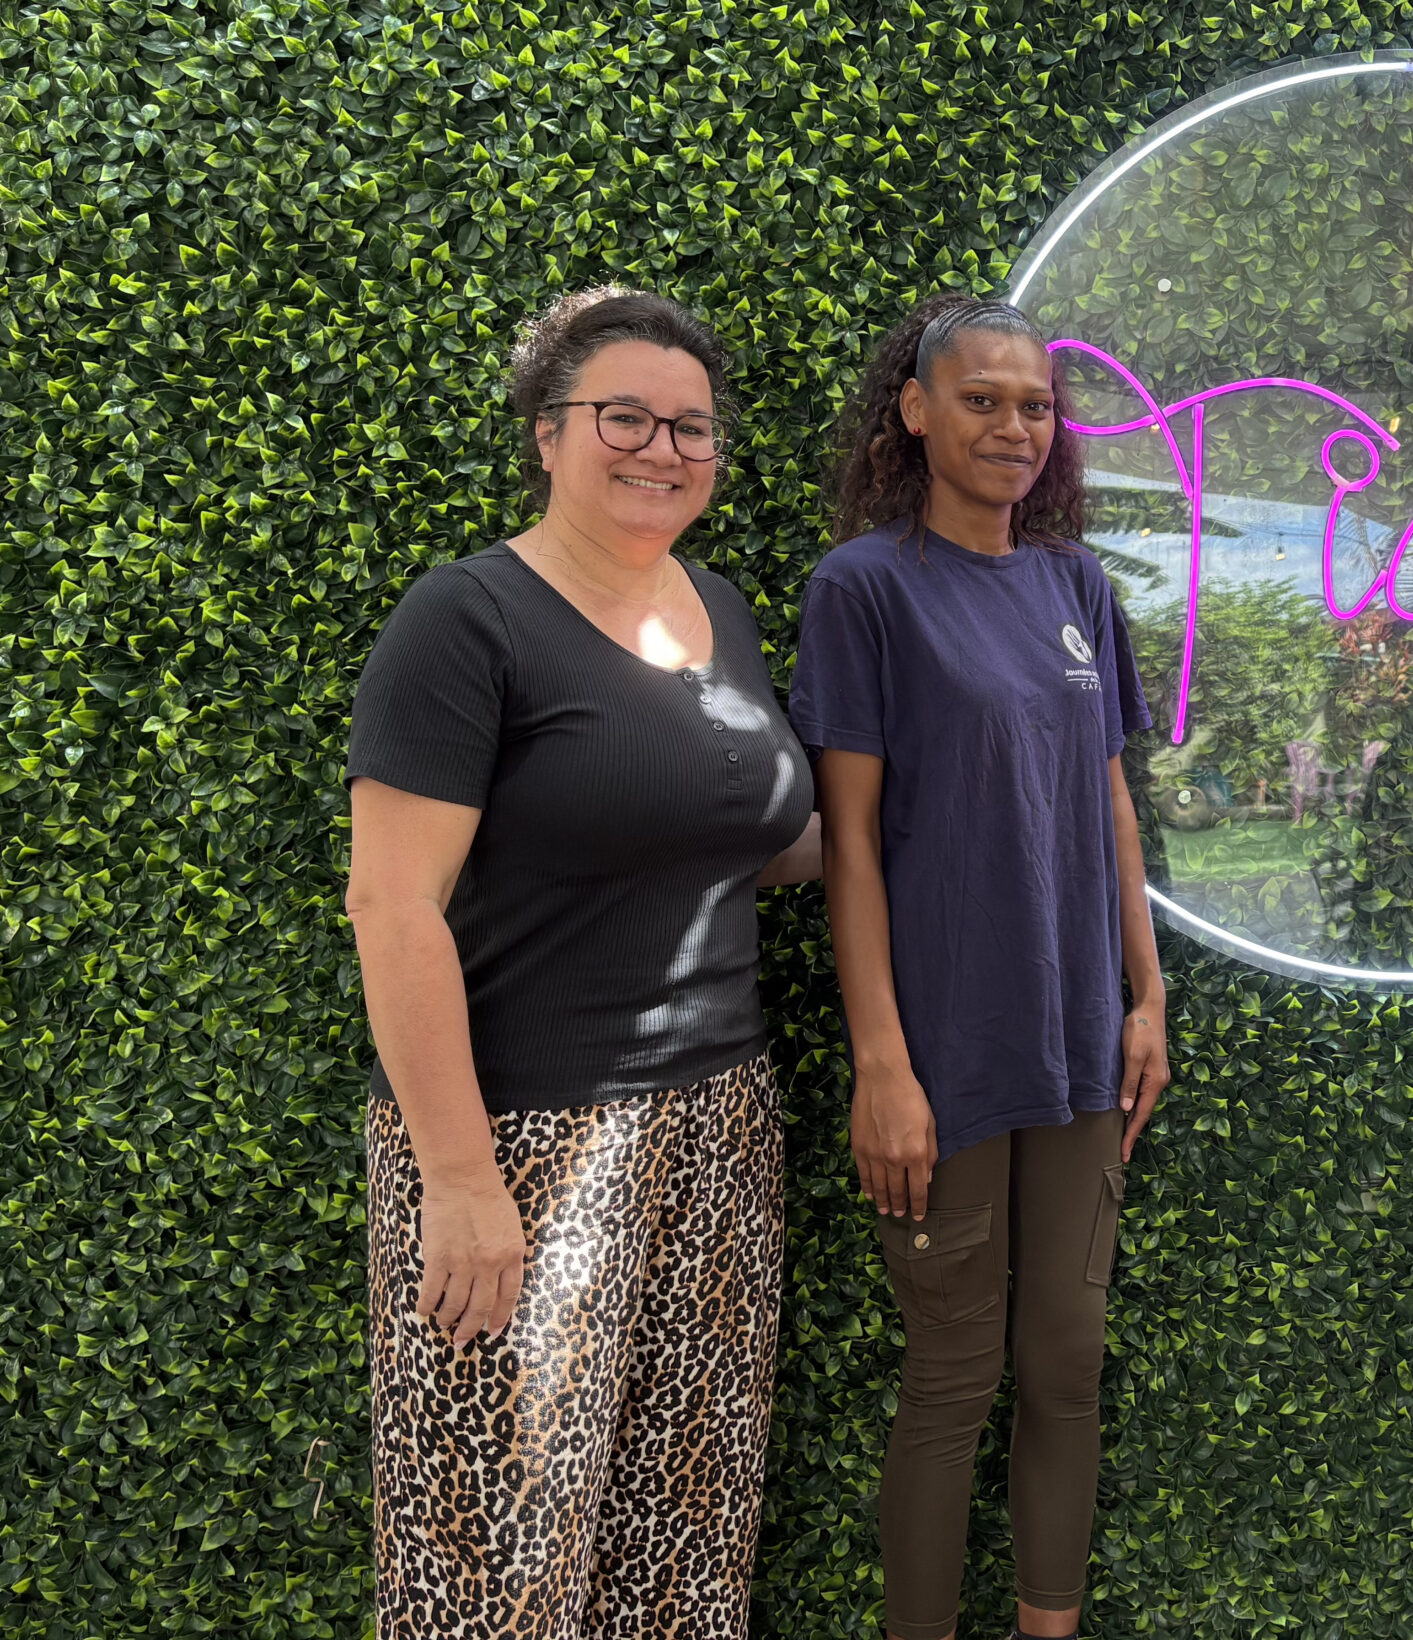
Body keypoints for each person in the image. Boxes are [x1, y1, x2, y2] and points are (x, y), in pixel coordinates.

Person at [345, 286, 821, 1639]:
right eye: (625, 417)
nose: (663, 449)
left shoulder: (719, 607)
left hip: (719, 1126)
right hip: (520, 1140)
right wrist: (457, 1178)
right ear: (547, 434)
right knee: (494, 1568)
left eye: (692, 427)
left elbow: (743, 839)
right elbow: (392, 904)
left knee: (684, 1545)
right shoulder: (468, 618)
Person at [790, 292, 1169, 1640]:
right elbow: (848, 843)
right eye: (982, 400)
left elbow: (1112, 803)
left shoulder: (1077, 588)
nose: (1015, 427)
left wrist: (1146, 996)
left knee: (1068, 1368)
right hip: (943, 1056)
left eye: (1036, 406)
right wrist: (881, 1066)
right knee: (951, 1379)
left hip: (1078, 1046)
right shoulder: (864, 589)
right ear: (915, 410)